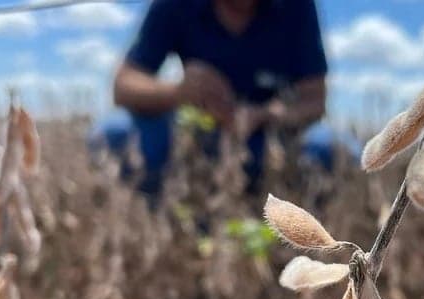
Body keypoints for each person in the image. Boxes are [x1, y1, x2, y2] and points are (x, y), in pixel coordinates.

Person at [111, 0, 328, 199]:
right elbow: (124, 85)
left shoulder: (298, 5)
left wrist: (263, 115)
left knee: (330, 150)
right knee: (114, 137)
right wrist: (179, 93)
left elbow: (315, 100)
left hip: (267, 137)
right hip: (193, 133)